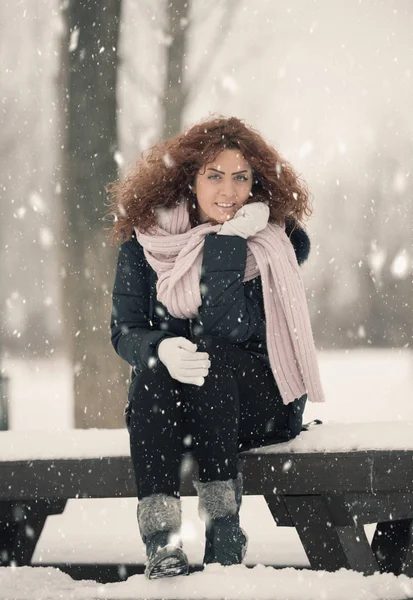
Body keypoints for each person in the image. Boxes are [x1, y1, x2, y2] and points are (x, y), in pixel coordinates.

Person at [107, 115, 325, 580]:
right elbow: (124, 330)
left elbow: (227, 329)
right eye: (214, 175)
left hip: (257, 405)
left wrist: (228, 242)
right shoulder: (145, 245)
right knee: (151, 370)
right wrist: (160, 349)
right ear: (190, 179)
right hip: (180, 411)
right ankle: (161, 542)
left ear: (256, 184)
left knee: (213, 357)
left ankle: (223, 529)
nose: (229, 190)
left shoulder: (267, 247)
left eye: (241, 177)